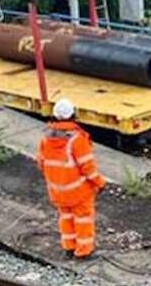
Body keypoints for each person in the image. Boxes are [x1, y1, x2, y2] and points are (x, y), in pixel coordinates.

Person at [36, 99, 106, 258]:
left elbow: (41, 163)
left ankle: (69, 247)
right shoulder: (77, 139)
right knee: (83, 219)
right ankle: (83, 251)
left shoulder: (46, 138)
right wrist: (100, 183)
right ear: (73, 115)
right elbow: (87, 167)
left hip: (57, 190)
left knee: (66, 217)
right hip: (78, 191)